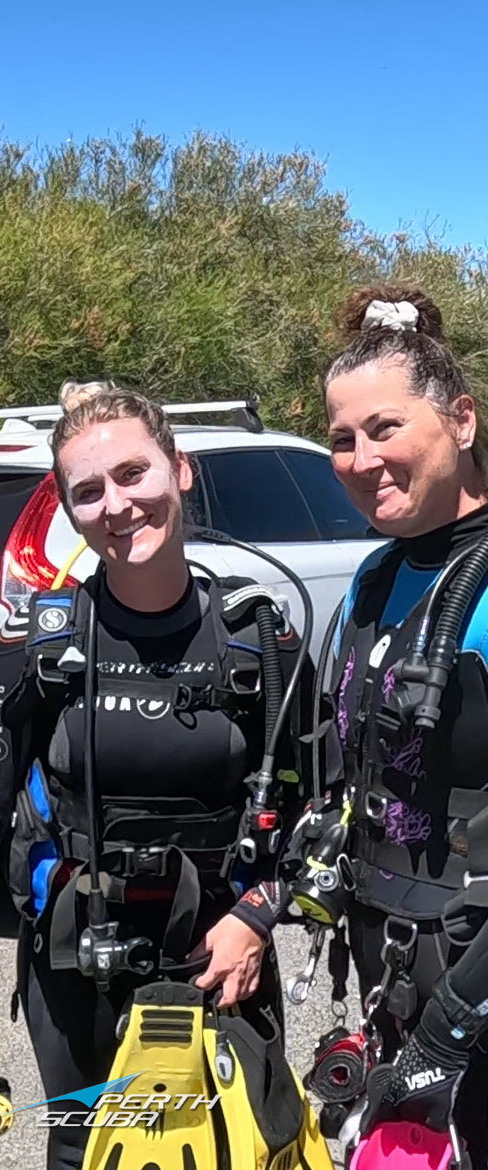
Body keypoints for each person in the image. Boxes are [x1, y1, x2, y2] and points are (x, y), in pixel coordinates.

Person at [0, 382, 314, 1170]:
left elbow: (322, 809)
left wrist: (257, 915)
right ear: (69, 509)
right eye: (87, 491)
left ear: (179, 470)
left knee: (233, 1148)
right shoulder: (38, 647)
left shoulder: (260, 640)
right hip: (78, 963)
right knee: (86, 1153)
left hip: (221, 959)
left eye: (133, 474)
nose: (115, 504)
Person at [300, 287, 488, 1167]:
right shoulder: (373, 580)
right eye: (342, 438)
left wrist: (453, 1026)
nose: (362, 457)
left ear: (461, 418)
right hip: (391, 965)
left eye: (385, 427)